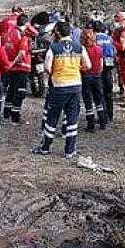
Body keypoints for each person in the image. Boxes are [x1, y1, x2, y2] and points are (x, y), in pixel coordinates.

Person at [33, 21, 91, 158]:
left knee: (52, 117)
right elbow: (88, 65)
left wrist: (55, 72)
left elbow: (47, 67)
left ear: (57, 32)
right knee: (72, 118)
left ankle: (45, 147)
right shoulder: (79, 47)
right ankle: (69, 150)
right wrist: (77, 69)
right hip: (75, 85)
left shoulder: (54, 47)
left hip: (58, 86)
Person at [2, 14, 36, 124]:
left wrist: (8, 64)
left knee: (11, 90)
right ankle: (15, 117)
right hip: (21, 67)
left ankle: (6, 113)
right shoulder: (23, 36)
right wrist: (13, 63)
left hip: (11, 69)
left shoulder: (7, 34)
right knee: (20, 92)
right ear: (26, 24)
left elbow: (4, 50)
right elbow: (22, 53)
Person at [80, 28, 107, 132]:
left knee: (88, 101)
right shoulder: (99, 49)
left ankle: (91, 125)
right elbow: (101, 65)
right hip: (97, 77)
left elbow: (82, 64)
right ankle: (103, 121)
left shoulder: (83, 50)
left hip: (86, 76)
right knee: (99, 100)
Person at [93, 21, 116, 123]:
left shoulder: (95, 38)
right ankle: (110, 114)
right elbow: (114, 51)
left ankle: (103, 115)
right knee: (108, 90)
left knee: (100, 90)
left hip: (99, 65)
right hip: (110, 64)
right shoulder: (109, 38)